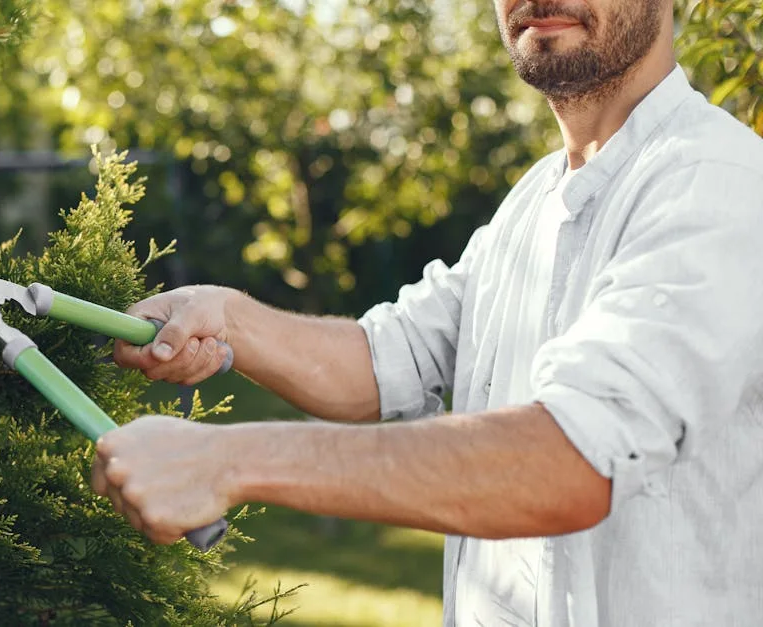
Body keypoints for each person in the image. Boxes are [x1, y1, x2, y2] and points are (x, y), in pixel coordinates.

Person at [89, 0, 763, 625]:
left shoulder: (716, 185)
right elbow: (388, 359)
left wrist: (228, 460)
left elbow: (572, 461)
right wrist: (227, 315)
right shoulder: (535, 199)